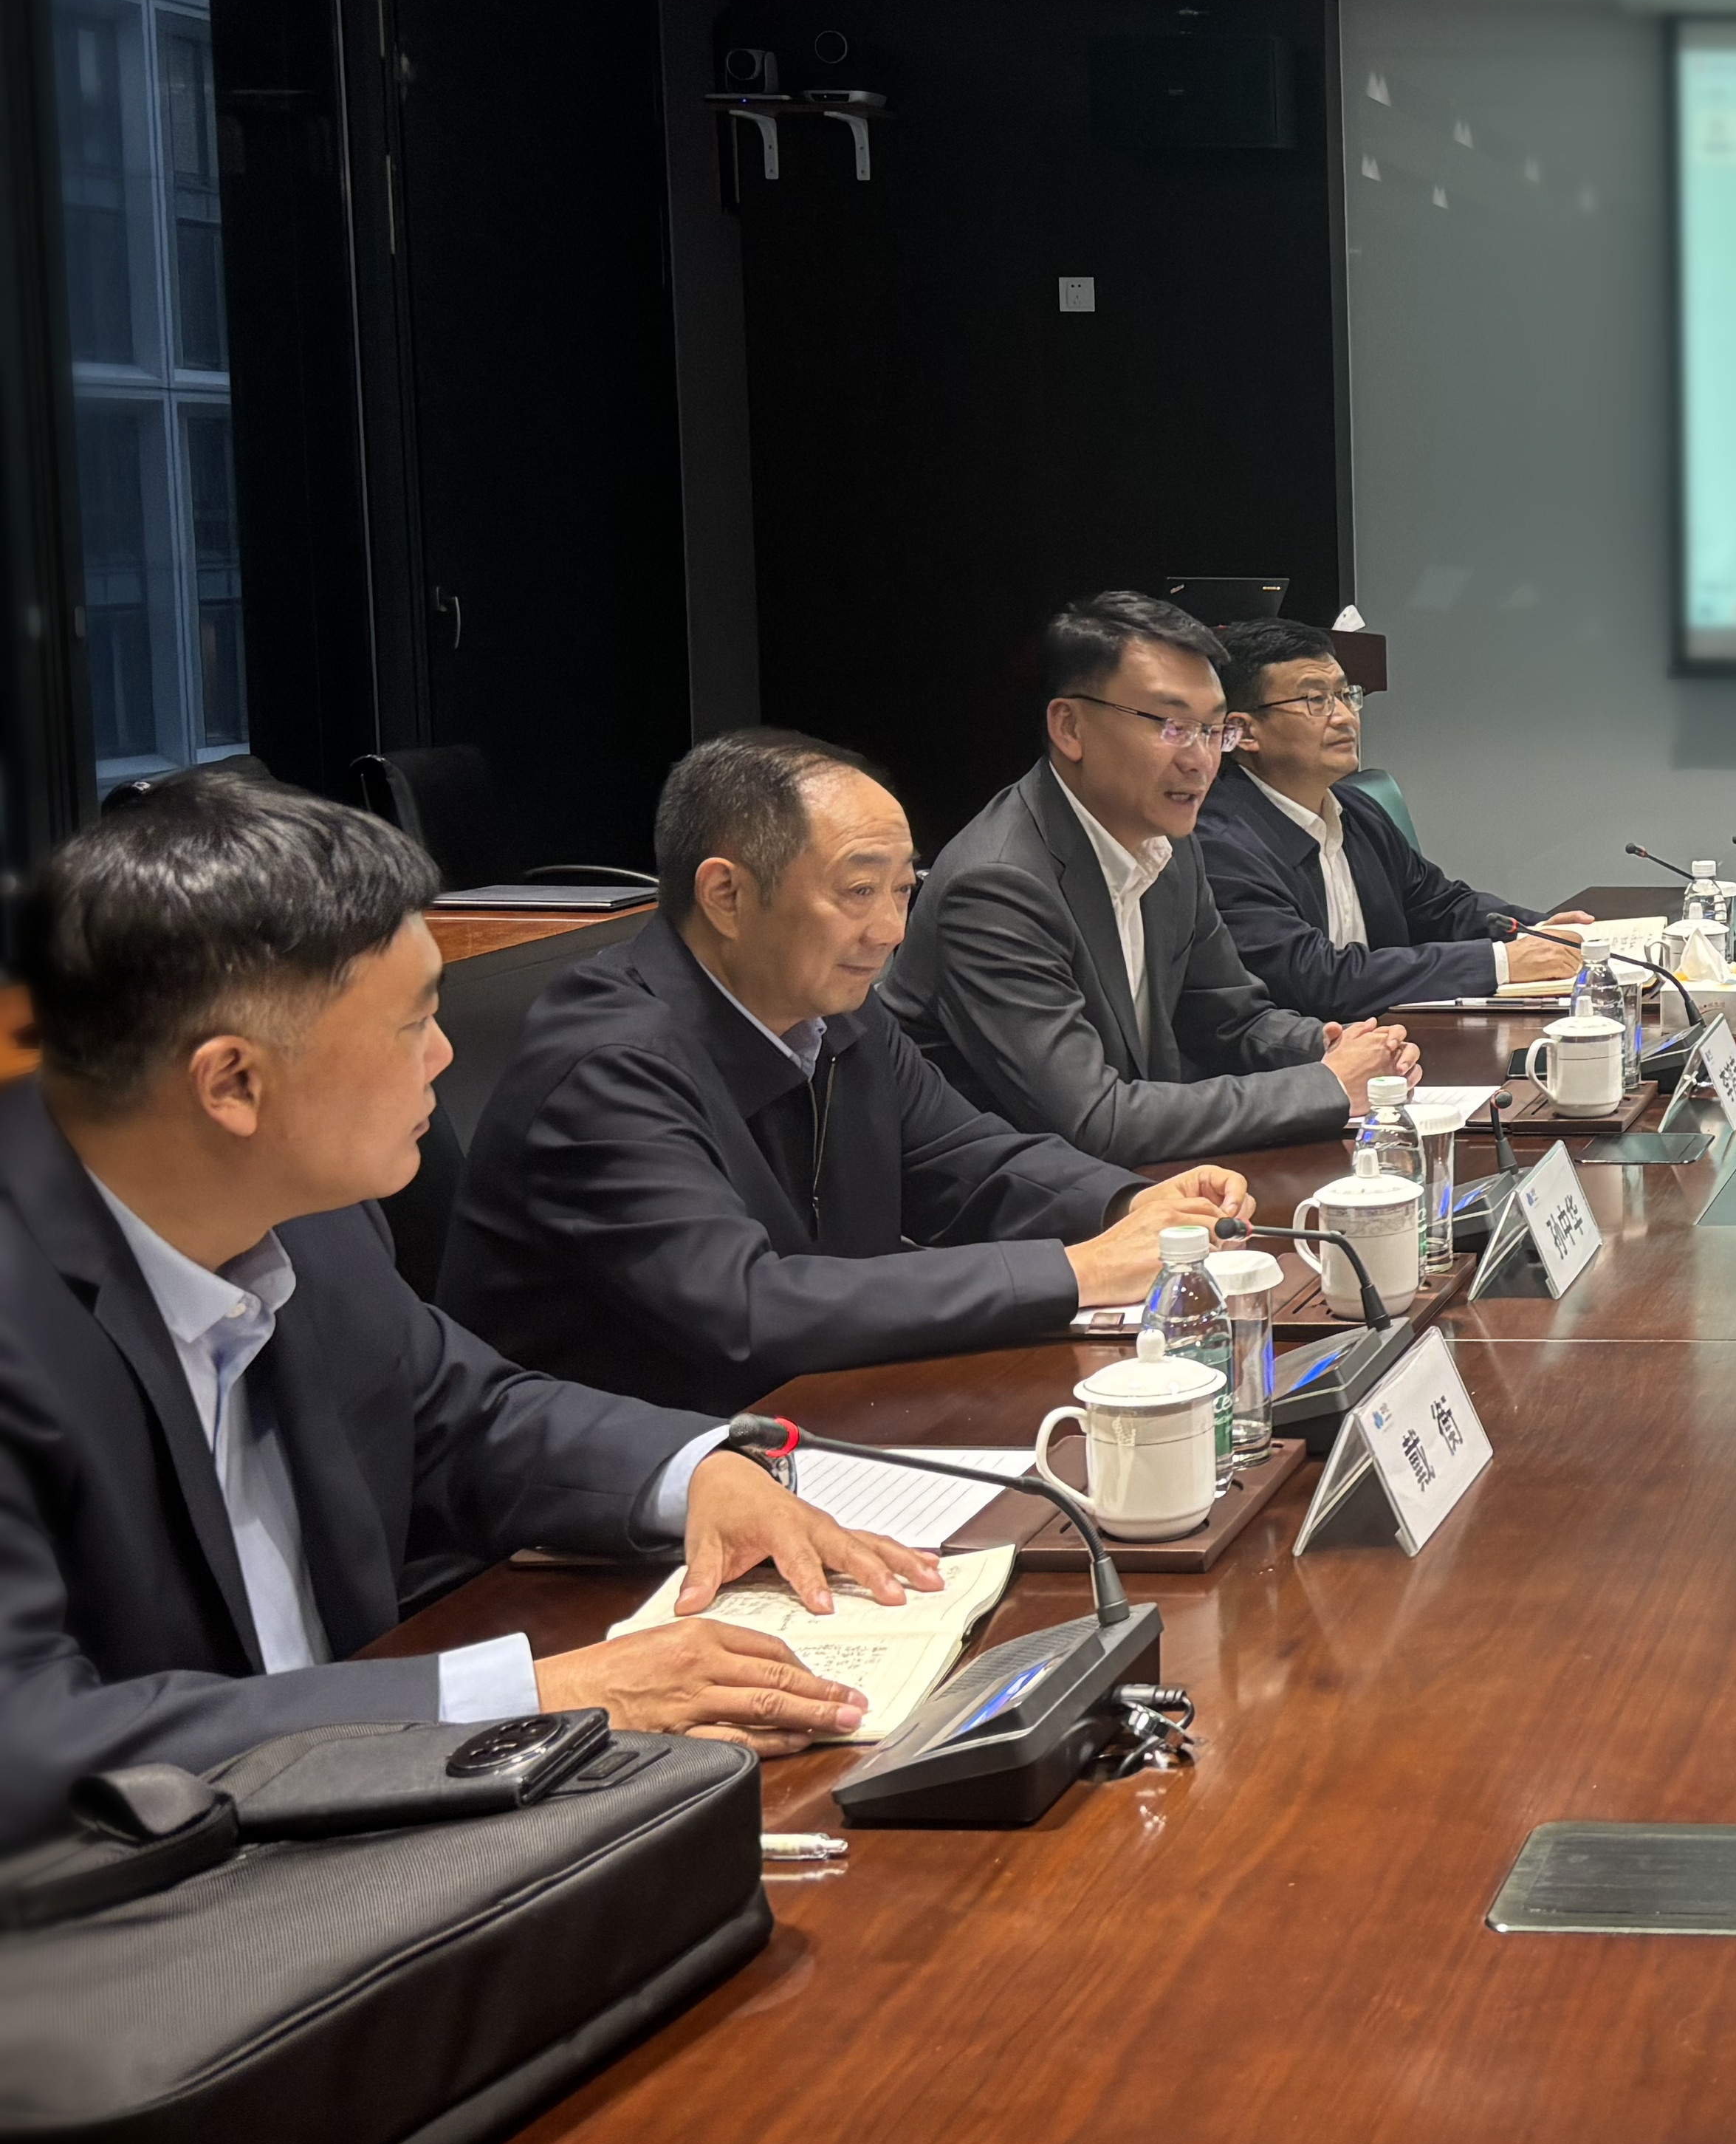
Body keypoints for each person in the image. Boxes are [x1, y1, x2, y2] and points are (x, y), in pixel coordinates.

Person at [0, 777, 939, 1846]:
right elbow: (32, 1739)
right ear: (234, 1085)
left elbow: (465, 1413)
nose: (446, 1059)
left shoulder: (312, 1222)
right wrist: (528, 1694)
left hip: (365, 1833)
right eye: (413, 1024)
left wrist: (700, 1474)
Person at [442, 730, 1252, 1418]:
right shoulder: (609, 1066)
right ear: (725, 895)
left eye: (903, 891)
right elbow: (748, 1310)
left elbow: (968, 1161)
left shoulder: (840, 1014)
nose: (890, 930)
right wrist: (1078, 1271)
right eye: (859, 891)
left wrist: (1132, 1206)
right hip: (613, 1497)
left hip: (816, 1421)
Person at [881, 594, 1418, 1166]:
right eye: (1171, 726)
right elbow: (1094, 1119)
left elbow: (1228, 1020)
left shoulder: (1168, 842)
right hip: (1023, 1201)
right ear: (1070, 727)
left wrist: (1332, 1045)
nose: (1200, 760)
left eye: (1212, 730)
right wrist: (1327, 1085)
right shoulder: (997, 886)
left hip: (1145, 1179)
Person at [1197, 618, 1599, 1018]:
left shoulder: (1356, 809)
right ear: (1243, 732)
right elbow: (1317, 979)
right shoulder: (1220, 843)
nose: (1345, 717)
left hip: (1391, 1037)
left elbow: (1440, 906)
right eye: (1315, 700)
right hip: (1308, 1053)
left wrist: (1540, 931)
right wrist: (1503, 962)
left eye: (1345, 695)